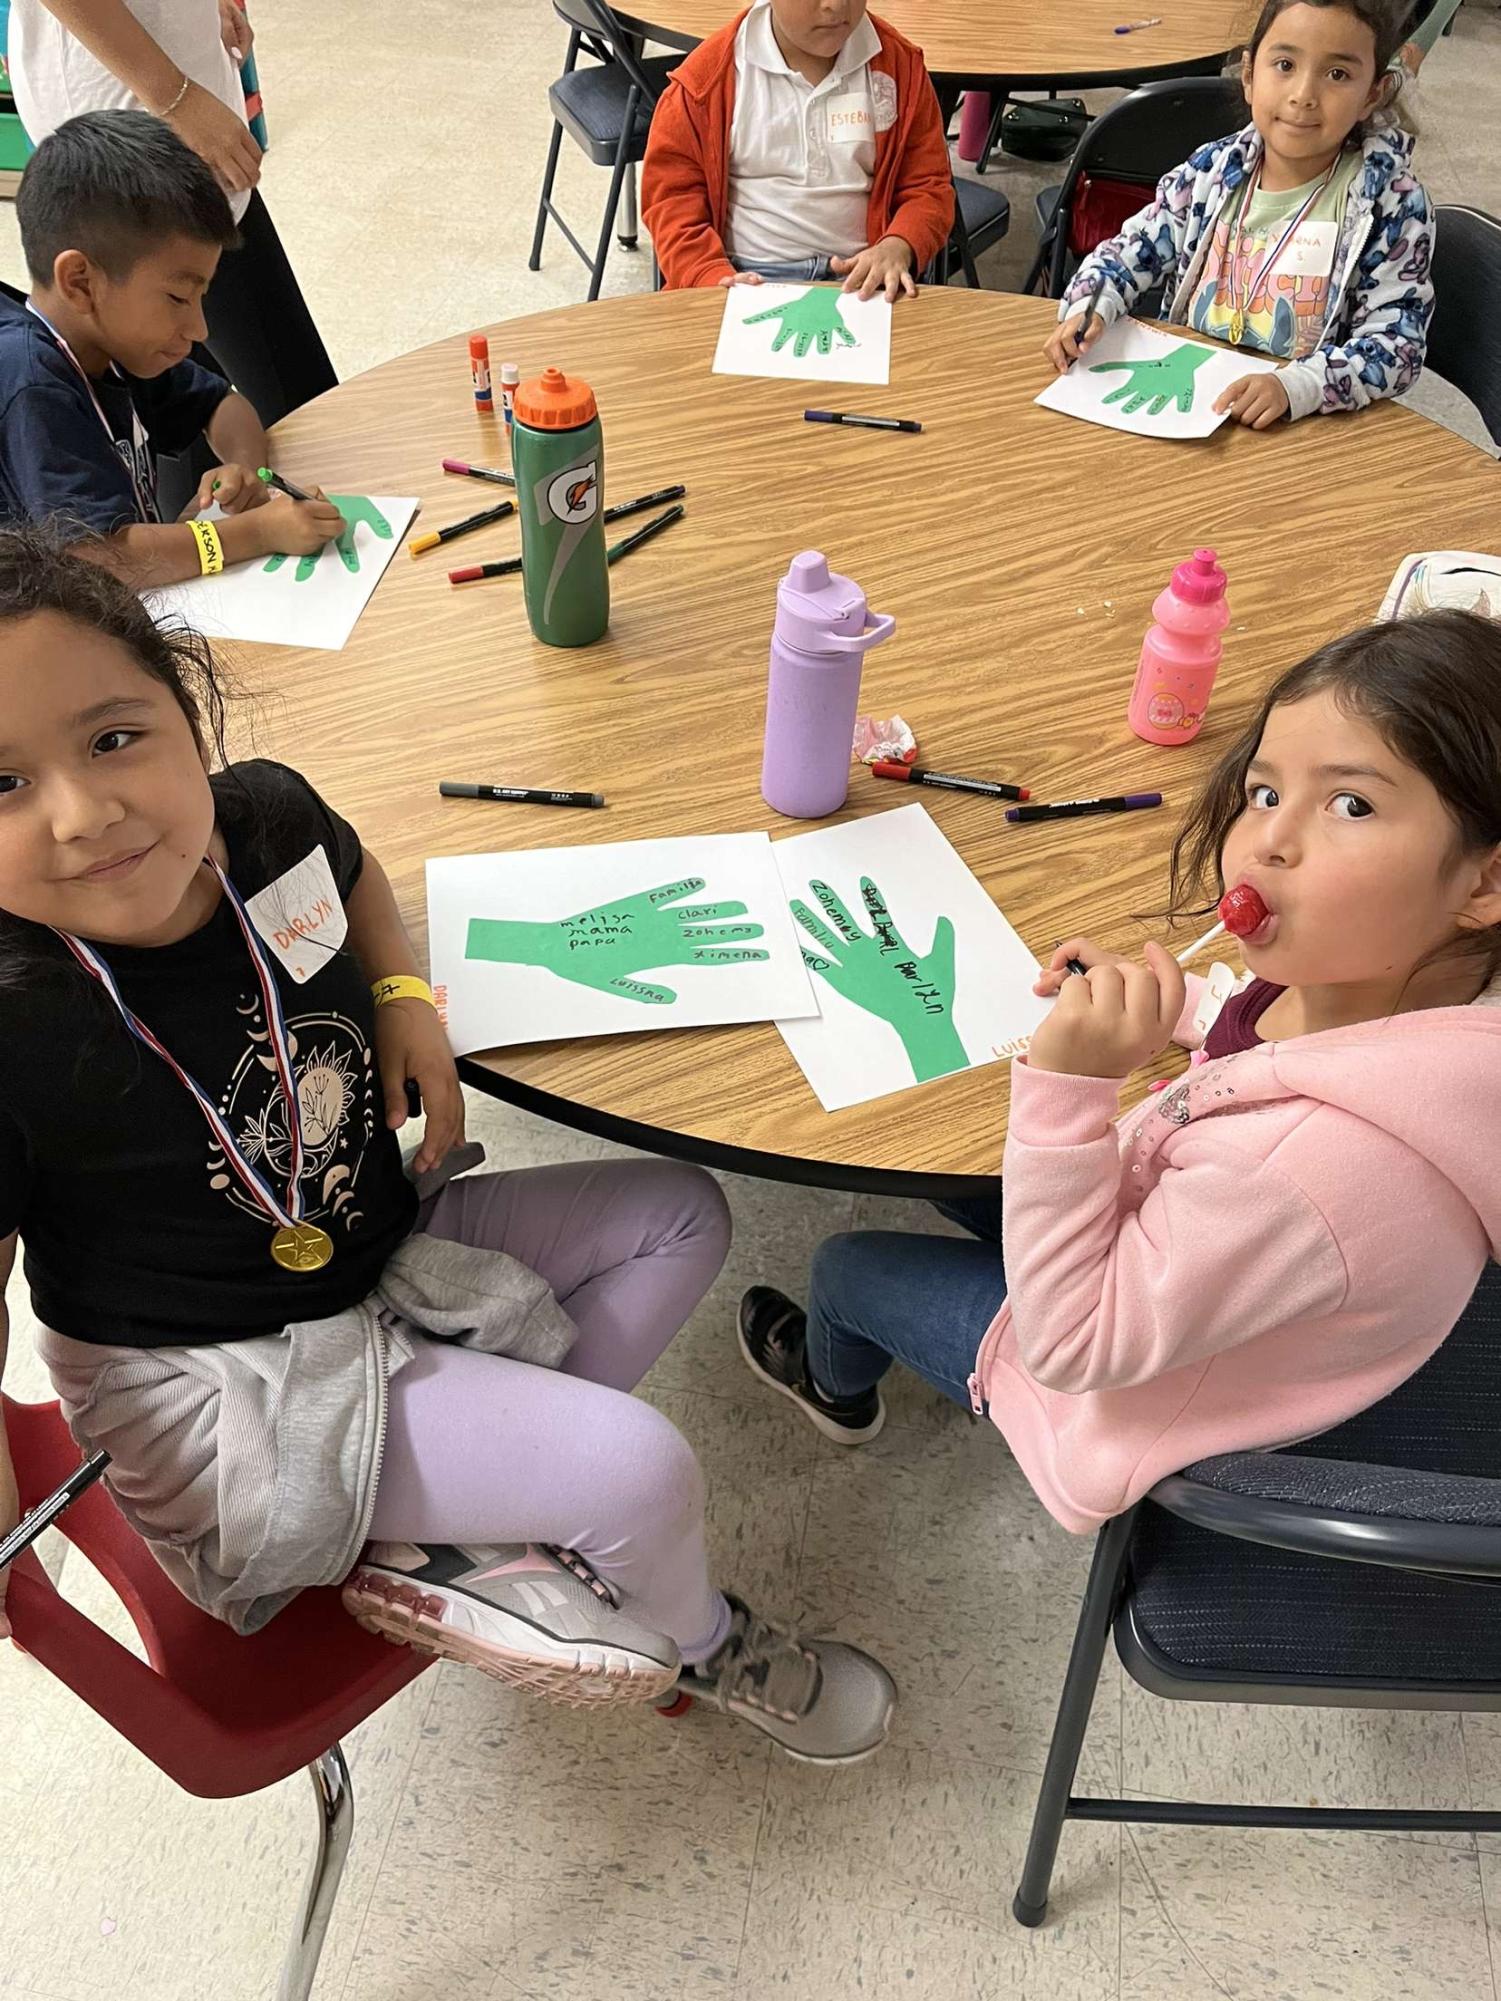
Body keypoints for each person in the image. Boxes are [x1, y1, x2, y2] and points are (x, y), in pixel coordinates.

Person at [0, 527, 896, 1764]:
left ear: (186, 715)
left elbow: (355, 875)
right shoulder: (13, 1013)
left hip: (370, 1250)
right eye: (1, 786)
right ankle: (695, 1643)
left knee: (685, 1212)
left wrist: (404, 994)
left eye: (114, 738)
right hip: (220, 1380)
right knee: (640, 1475)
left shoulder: (262, 818)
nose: (84, 812)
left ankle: (471, 1540)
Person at [738, 609, 1501, 1535]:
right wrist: (1174, 1011)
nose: (1266, 841)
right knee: (952, 1183)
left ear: (1482, 885)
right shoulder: (1391, 994)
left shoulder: (1304, 1175)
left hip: (1118, 1392)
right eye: (1263, 792)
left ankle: (835, 1391)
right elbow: (1259, 1033)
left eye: (1350, 805)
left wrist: (1069, 1093)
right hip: (1203, 1243)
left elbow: (1072, 1340)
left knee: (847, 1261)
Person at [1042, 0, 1434, 428]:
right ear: (1249, 75)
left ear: (1371, 95)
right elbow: (1128, 253)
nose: (1303, 95)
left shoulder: (1392, 203)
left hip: (1303, 426)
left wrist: (1297, 387)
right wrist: (1092, 304)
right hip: (1190, 408)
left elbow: (1397, 344)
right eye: (1284, 64)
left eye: (1337, 74)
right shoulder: (1210, 172)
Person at [0, 111, 345, 586]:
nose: (200, 328)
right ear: (80, 282)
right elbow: (97, 559)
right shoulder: (32, 385)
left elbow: (224, 403)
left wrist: (244, 470)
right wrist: (257, 531)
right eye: (179, 298)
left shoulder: (114, 345)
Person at [8, 0, 335, 427]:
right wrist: (175, 98)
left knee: (188, 404)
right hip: (137, 111)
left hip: (165, 89)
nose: (196, 326)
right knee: (303, 408)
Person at [642, 0, 954, 300]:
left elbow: (928, 186)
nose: (836, 5)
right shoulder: (705, 84)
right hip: (745, 278)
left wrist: (899, 244)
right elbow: (672, 202)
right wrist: (707, 273)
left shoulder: (900, 69)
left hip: (863, 278)